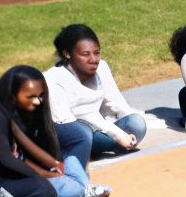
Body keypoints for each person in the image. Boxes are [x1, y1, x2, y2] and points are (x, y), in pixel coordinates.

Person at [0, 65, 109, 197]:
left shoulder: (25, 113)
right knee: (56, 190)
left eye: (41, 95)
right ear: (13, 94)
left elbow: (27, 151)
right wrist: (48, 175)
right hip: (5, 180)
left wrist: (53, 166)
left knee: (80, 136)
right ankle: (81, 189)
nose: (37, 101)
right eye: (31, 97)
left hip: (30, 169)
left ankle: (80, 188)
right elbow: (10, 162)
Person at [46, 24, 147, 157]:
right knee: (83, 133)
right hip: (73, 133)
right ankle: (85, 152)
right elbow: (68, 123)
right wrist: (117, 134)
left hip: (99, 130)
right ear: (67, 54)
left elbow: (116, 102)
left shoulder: (102, 67)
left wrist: (126, 131)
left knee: (136, 124)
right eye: (85, 54)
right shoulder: (53, 79)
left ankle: (98, 149)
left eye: (97, 53)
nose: (94, 60)